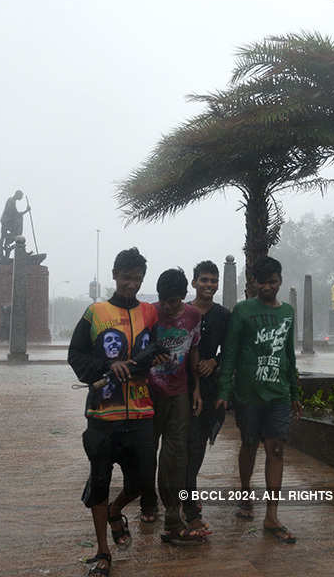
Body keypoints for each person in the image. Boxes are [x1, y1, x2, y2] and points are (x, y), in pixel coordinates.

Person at [68, 247, 166, 577]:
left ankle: (115, 510)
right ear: (114, 275)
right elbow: (76, 355)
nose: (132, 285)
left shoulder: (150, 313)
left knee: (140, 483)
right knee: (99, 481)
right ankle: (102, 552)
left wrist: (155, 359)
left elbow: (156, 348)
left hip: (141, 412)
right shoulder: (95, 312)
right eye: (126, 278)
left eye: (137, 279)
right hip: (102, 416)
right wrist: (109, 365)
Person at [216, 256, 302, 544]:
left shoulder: (288, 312)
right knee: (249, 445)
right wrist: (224, 391)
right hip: (248, 394)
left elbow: (289, 355)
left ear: (280, 280)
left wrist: (295, 393)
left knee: (276, 450)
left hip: (278, 394)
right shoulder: (242, 311)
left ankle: (272, 516)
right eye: (262, 282)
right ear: (253, 283)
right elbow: (229, 353)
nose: (268, 287)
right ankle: (245, 494)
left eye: (273, 281)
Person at [140, 268, 206, 545]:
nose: (168, 306)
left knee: (175, 453)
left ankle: (172, 513)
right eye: (164, 301)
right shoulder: (149, 314)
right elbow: (137, 351)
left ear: (183, 297)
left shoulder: (193, 316)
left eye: (174, 301)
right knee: (147, 451)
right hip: (150, 392)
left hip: (179, 392)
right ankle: (148, 501)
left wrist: (197, 390)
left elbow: (193, 351)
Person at [182, 260, 230, 533]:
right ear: (194, 283)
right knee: (181, 445)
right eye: (204, 280)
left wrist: (215, 362)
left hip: (210, 388)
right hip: (182, 387)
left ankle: (190, 492)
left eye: (213, 281)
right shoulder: (184, 312)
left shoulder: (223, 315)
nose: (209, 285)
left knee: (198, 444)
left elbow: (232, 348)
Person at [0, 190, 30, 259]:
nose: (21, 198)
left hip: (9, 222)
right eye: (21, 196)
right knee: (3, 237)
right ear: (17, 195)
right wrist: (26, 211)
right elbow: (15, 214)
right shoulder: (11, 201)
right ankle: (0, 254)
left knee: (10, 237)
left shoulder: (12, 201)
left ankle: (9, 253)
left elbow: (15, 214)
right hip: (6, 222)